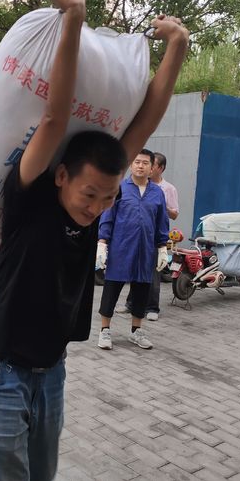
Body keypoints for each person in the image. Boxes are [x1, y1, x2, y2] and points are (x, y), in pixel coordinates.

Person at [0, 0, 189, 481]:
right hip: (1, 370)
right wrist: (73, 19)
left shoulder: (100, 194)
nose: (96, 207)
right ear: (62, 176)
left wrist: (177, 45)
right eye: (89, 195)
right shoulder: (29, 198)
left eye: (107, 198)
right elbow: (54, 117)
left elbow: (145, 123)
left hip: (52, 372)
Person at [96, 149, 169, 351]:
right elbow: (107, 216)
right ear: (131, 165)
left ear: (152, 168)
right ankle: (104, 330)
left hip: (145, 251)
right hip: (121, 248)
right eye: (137, 162)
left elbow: (161, 222)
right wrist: (102, 243)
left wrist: (163, 247)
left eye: (145, 163)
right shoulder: (119, 188)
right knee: (111, 288)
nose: (140, 166)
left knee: (142, 291)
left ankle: (136, 331)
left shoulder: (157, 193)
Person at [141, 151, 179, 320]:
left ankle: (152, 308)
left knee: (154, 272)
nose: (148, 167)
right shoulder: (141, 184)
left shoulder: (168, 189)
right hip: (139, 234)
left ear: (161, 168)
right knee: (136, 269)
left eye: (152, 164)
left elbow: (174, 214)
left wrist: (161, 204)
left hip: (156, 235)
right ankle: (131, 303)